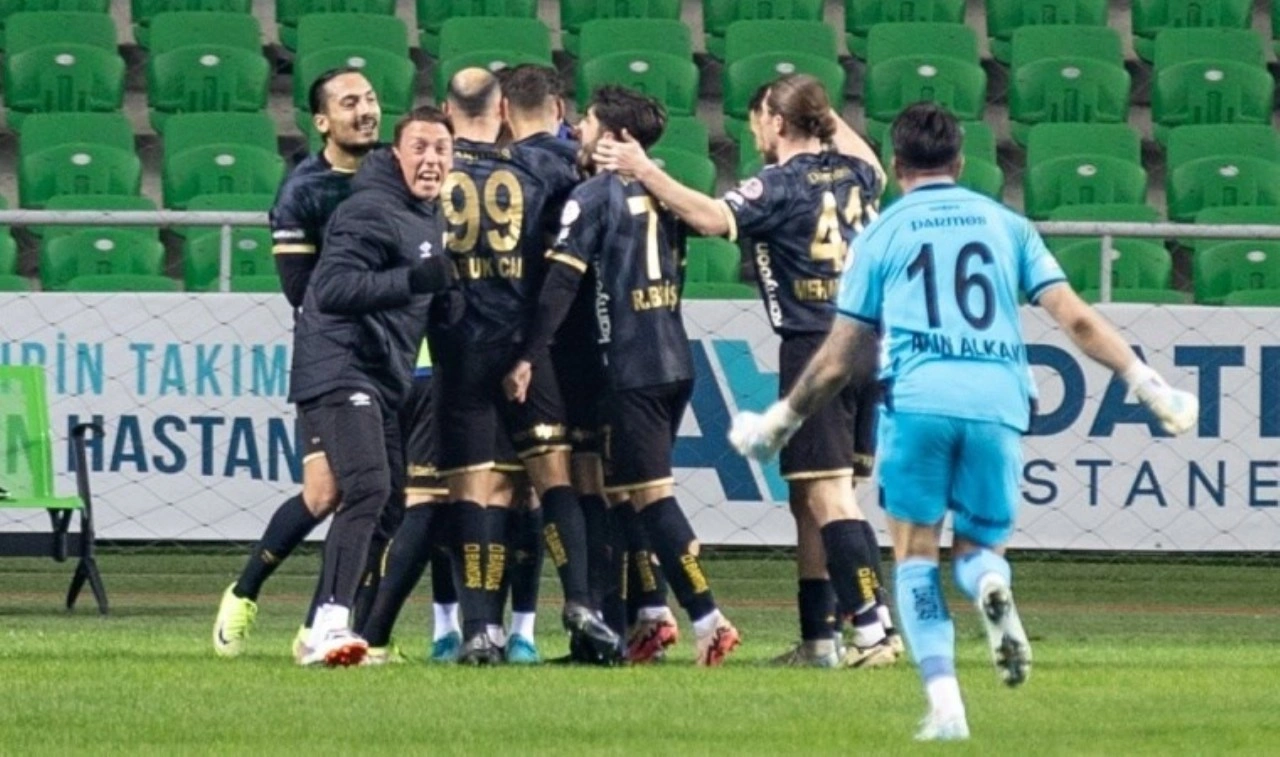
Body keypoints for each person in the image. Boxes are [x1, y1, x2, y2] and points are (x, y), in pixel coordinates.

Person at [729, 102, 1199, 739]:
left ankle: (946, 706)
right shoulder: (1007, 225)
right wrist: (1147, 384)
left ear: (896, 165)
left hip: (919, 401)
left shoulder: (880, 235)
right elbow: (1076, 318)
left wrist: (780, 421)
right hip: (998, 400)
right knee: (978, 549)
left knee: (915, 556)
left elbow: (838, 357)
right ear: (961, 161)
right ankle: (991, 586)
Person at [593, 74, 897, 668]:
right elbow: (873, 163)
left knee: (829, 496)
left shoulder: (777, 184)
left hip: (817, 346)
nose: (753, 129)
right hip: (872, 343)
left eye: (759, 117)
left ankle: (872, 630)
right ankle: (821, 641)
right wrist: (819, 107)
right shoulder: (857, 174)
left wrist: (643, 169)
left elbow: (710, 218)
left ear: (777, 121)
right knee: (817, 497)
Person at [506, 85, 741, 666]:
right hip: (675, 359)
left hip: (630, 366)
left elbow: (562, 283)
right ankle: (650, 617)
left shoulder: (592, 196)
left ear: (614, 136)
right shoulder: (667, 191)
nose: (578, 131)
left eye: (587, 122)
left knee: (651, 498)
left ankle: (708, 618)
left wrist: (530, 352)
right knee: (625, 494)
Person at [432, 68, 618, 665]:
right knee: (552, 479)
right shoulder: (544, 168)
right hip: (527, 349)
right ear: (502, 112)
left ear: (446, 112)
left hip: (457, 345)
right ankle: (581, 602)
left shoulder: (433, 169)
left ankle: (479, 629)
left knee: (476, 489)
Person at [213, 68, 381, 659]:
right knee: (334, 493)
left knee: (345, 493)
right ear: (322, 121)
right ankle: (251, 595)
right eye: (349, 102)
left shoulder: (393, 172)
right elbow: (300, 291)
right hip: (330, 358)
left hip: (392, 357)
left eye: (370, 98)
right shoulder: (303, 191)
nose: (365, 110)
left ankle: (315, 624)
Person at [289, 106, 458, 666]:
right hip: (340, 365)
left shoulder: (427, 215)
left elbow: (419, 294)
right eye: (419, 148)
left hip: (382, 373)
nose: (430, 159)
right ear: (396, 154)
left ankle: (326, 626)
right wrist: (413, 280)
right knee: (366, 488)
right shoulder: (368, 209)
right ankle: (331, 624)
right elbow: (333, 288)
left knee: (386, 506)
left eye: (441, 149)